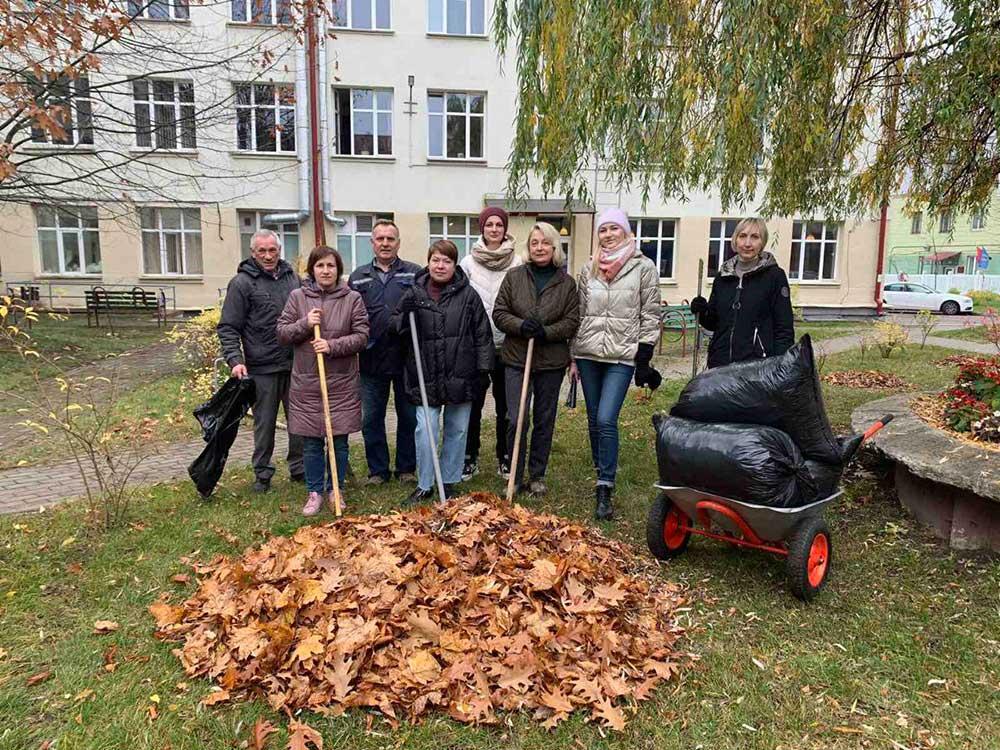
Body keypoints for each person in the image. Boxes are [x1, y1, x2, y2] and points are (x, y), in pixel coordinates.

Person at [571, 208, 662, 520]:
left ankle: (605, 485)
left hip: (622, 355)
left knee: (607, 418)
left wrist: (644, 357)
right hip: (588, 354)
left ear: (626, 231)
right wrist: (573, 354)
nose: (608, 234)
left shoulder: (643, 267)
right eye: (603, 230)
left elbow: (650, 313)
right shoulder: (589, 268)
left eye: (614, 229)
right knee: (594, 419)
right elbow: (580, 312)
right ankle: (601, 468)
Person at [391, 240, 493, 505]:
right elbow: (394, 326)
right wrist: (403, 318)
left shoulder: (468, 295)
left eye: (446, 261)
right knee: (425, 431)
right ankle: (425, 484)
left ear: (454, 264)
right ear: (428, 261)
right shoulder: (414, 294)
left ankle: (448, 481)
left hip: (461, 373)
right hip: (425, 375)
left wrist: (484, 369)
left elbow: (482, 334)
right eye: (436, 259)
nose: (440, 265)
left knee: (457, 430)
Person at [276, 246, 369, 516]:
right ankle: (315, 491)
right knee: (313, 441)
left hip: (340, 382)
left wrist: (331, 345)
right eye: (320, 266)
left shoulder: (352, 298)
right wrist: (305, 323)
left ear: (338, 269)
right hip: (307, 382)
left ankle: (336, 489)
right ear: (312, 270)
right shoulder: (297, 297)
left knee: (338, 440)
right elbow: (282, 333)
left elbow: (362, 336)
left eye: (330, 266)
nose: (325, 271)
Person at [492, 221, 579, 495]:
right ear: (528, 248)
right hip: (517, 358)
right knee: (516, 418)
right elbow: (499, 312)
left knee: (544, 419)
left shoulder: (566, 283)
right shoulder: (515, 276)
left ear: (554, 247)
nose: (539, 248)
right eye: (534, 243)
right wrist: (520, 326)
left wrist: (547, 332)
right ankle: (514, 475)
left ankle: (537, 475)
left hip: (551, 362)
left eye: (545, 243)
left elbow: (572, 321)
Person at [217, 228, 304, 492]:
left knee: (299, 421)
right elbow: (228, 327)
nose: (268, 255)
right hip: (261, 367)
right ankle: (263, 474)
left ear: (279, 250)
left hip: (294, 364)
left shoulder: (293, 279)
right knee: (264, 424)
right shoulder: (242, 283)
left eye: (272, 250)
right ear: (252, 253)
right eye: (262, 251)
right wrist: (235, 360)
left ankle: (299, 468)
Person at [347, 219, 421, 485]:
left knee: (409, 417)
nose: (385, 243)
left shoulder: (414, 273)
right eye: (380, 239)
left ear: (398, 243)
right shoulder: (358, 277)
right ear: (372, 243)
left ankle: (406, 469)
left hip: (406, 358)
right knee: (371, 418)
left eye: (390, 239)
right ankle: (378, 470)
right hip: (371, 359)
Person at [459, 206, 523, 480]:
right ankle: (469, 456)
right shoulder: (468, 262)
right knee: (473, 404)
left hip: (508, 344)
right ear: (482, 228)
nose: (494, 229)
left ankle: (505, 456)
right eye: (489, 225)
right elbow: (461, 303)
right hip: (476, 345)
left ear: (505, 229)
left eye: (499, 225)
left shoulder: (517, 261)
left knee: (505, 407)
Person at [689, 217, 794, 369]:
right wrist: (702, 311)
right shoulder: (723, 276)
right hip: (720, 365)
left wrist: (779, 366)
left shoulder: (774, 276)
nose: (747, 243)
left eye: (755, 237)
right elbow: (714, 324)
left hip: (757, 368)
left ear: (762, 242)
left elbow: (784, 328)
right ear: (735, 240)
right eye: (743, 236)